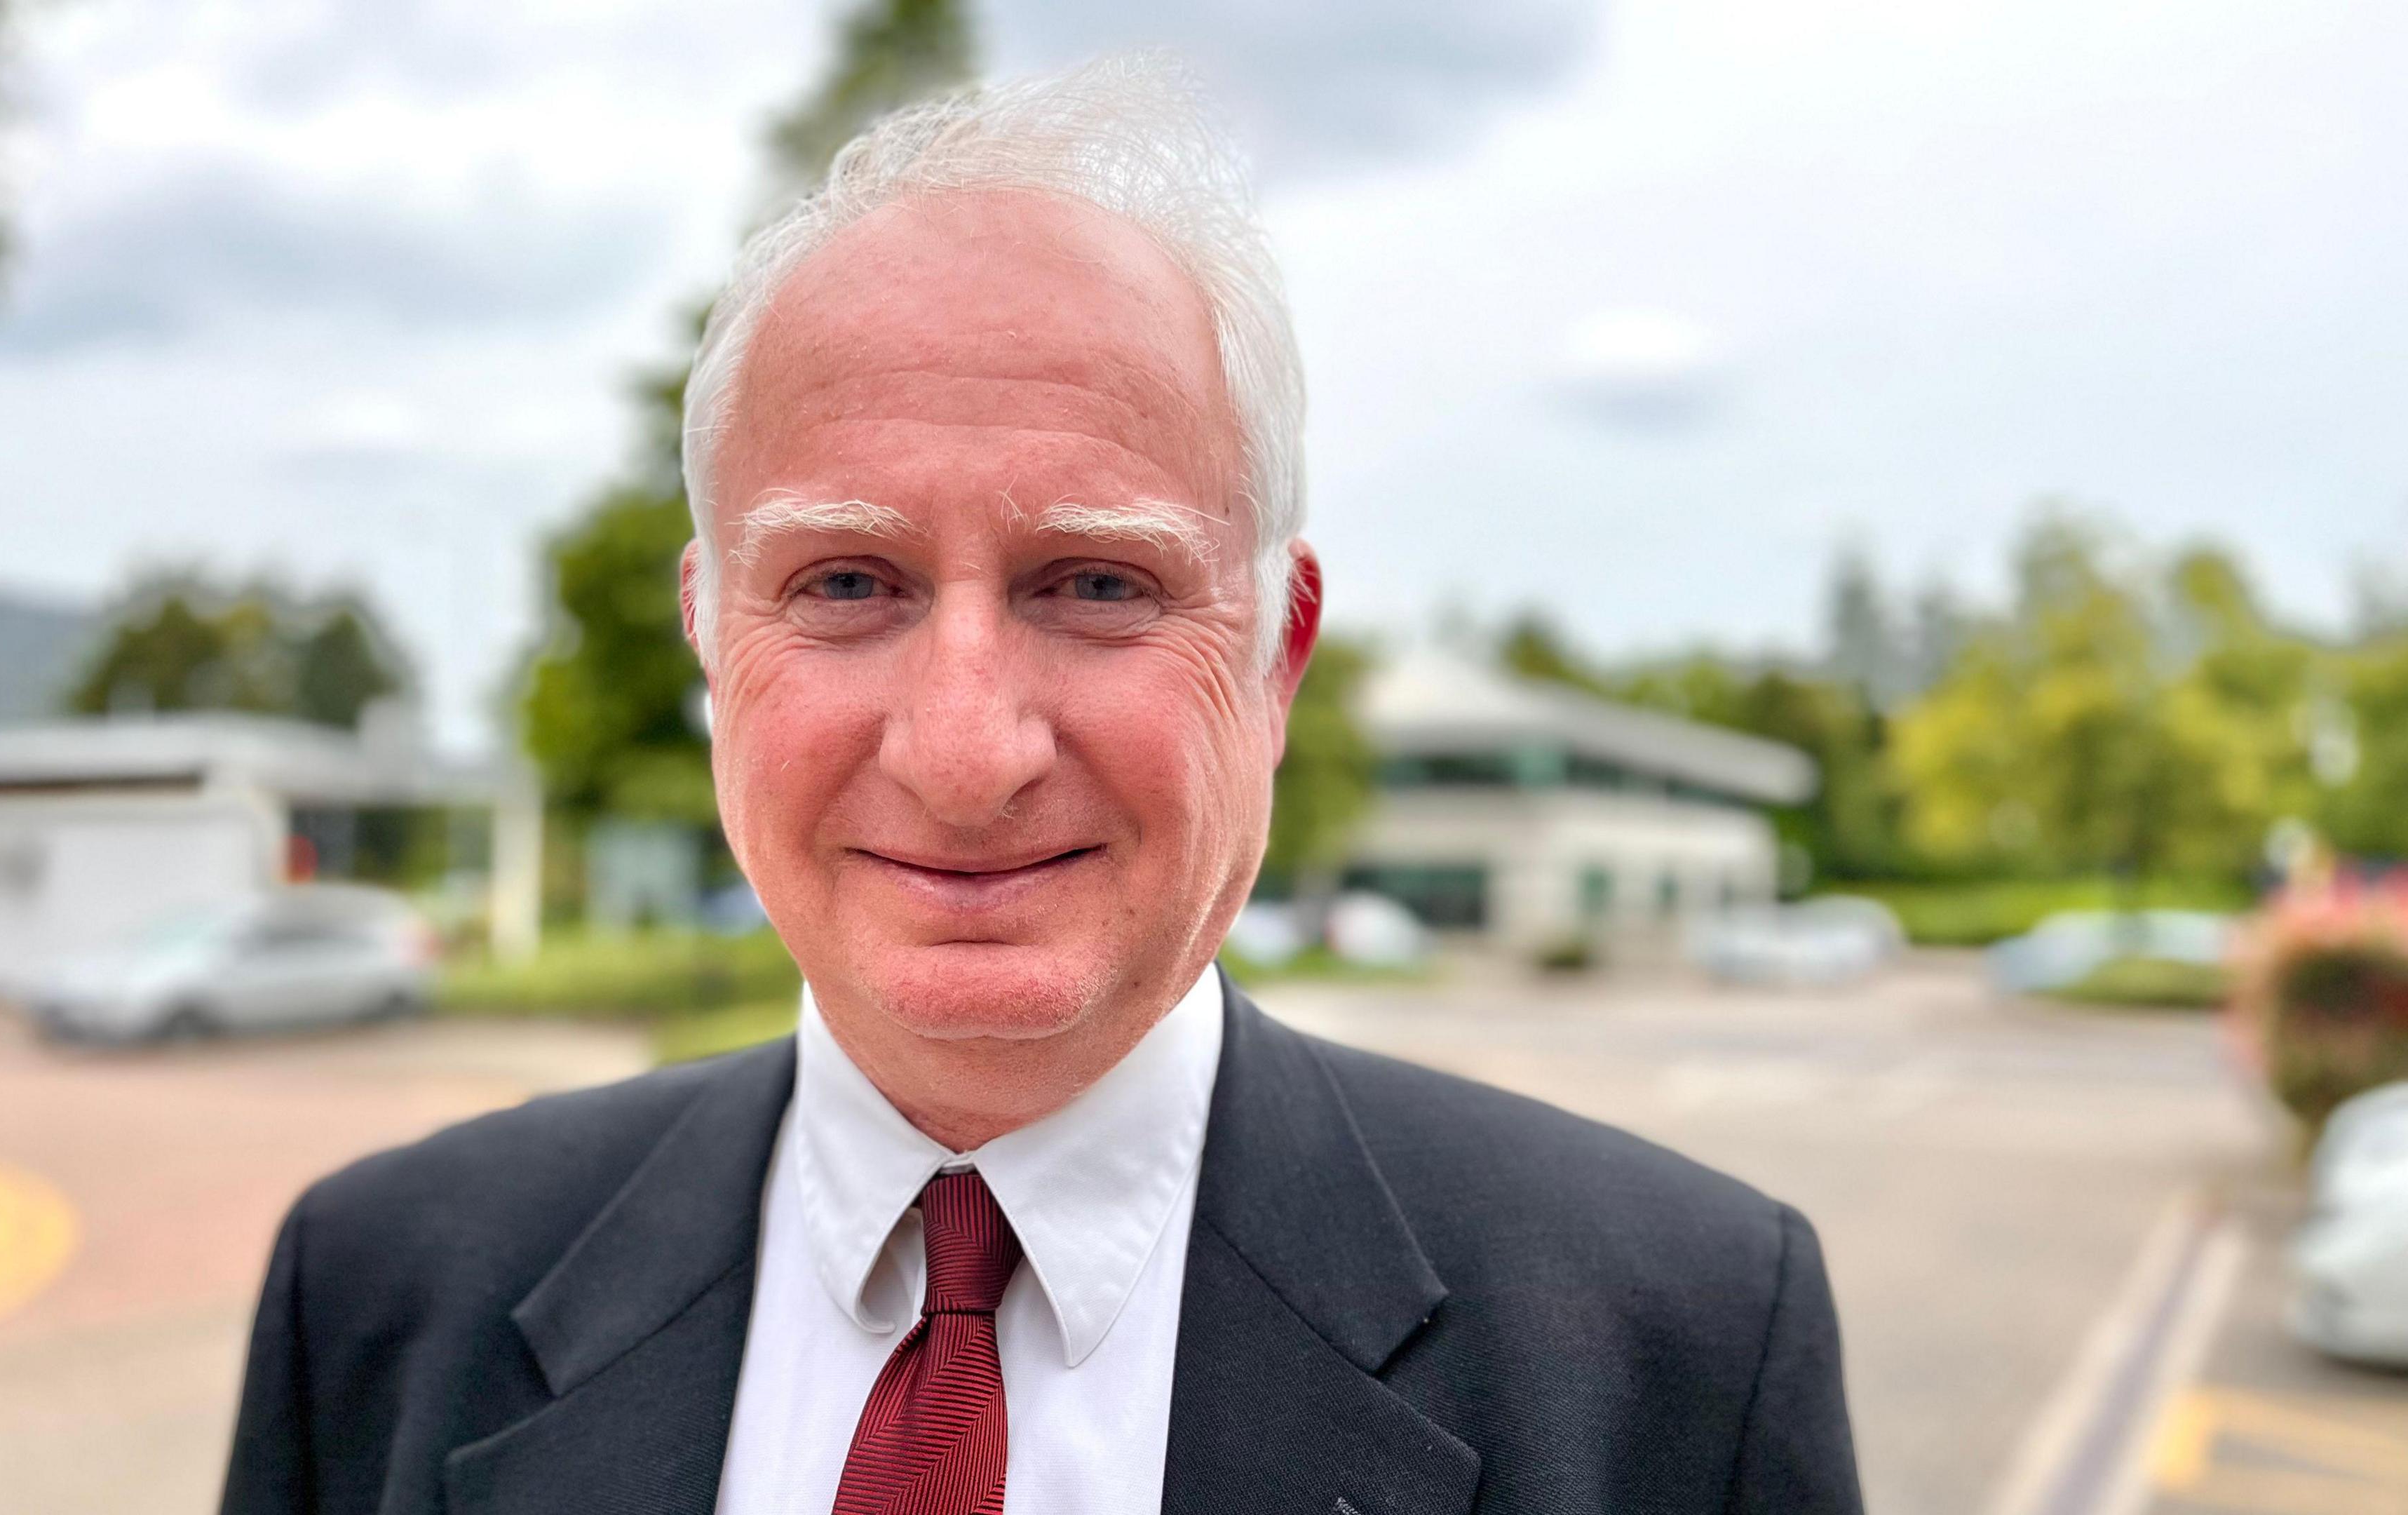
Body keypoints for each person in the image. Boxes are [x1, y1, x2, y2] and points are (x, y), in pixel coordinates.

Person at [219, 55, 1861, 1515]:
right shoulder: (377, 1297)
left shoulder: (1679, 1347)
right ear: (715, 640)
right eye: (849, 585)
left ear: (1276, 661)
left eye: (1096, 585)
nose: (964, 750)